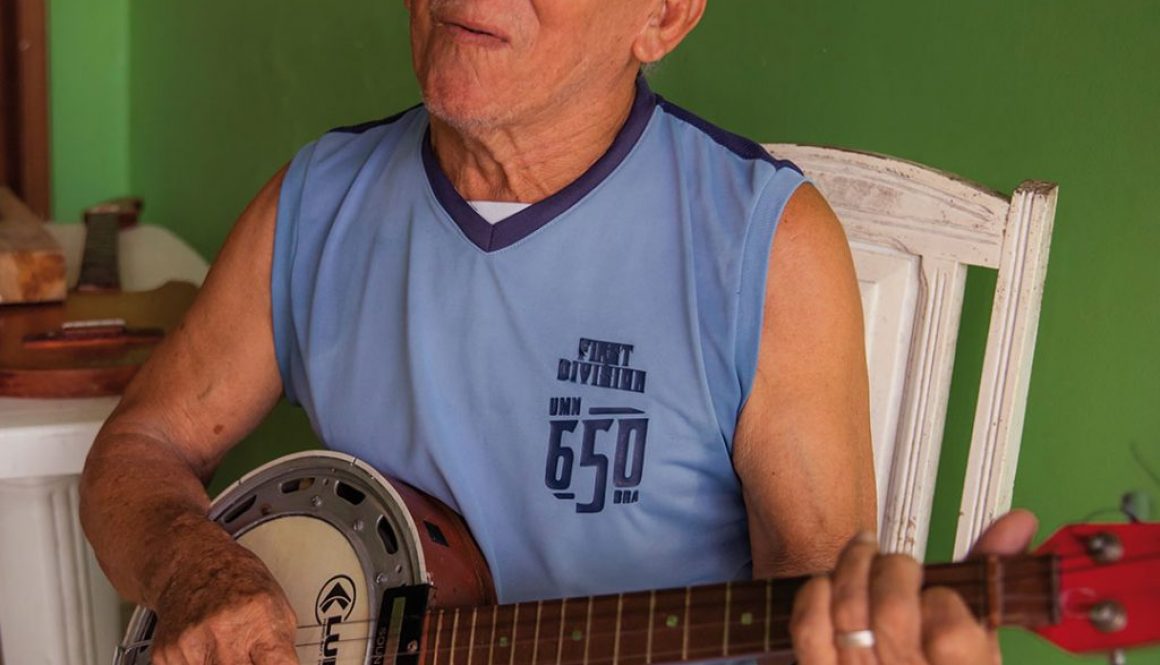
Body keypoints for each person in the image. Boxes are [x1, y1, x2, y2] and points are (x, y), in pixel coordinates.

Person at [79, 1, 1037, 664]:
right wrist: (191, 563)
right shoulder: (318, 201)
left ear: (662, 17)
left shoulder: (766, 247)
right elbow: (139, 447)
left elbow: (818, 607)